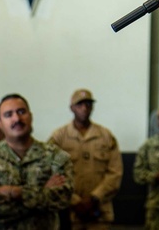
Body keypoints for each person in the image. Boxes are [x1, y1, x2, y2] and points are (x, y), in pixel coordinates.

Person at [0, 94, 74, 229]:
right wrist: (41, 194)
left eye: (21, 112)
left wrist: (16, 193)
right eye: (8, 115)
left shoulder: (56, 156)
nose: (17, 118)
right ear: (0, 123)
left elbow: (62, 199)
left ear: (30, 116)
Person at [48, 89, 123, 229]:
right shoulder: (59, 137)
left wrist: (95, 197)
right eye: (80, 104)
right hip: (69, 213)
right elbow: (50, 171)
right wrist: (74, 200)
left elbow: (115, 173)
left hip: (99, 212)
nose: (84, 108)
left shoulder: (106, 136)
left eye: (88, 104)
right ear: (72, 108)